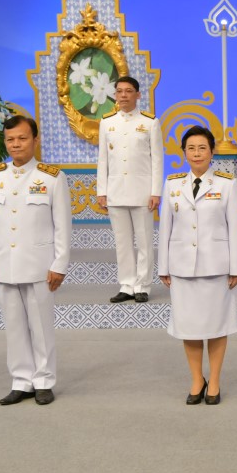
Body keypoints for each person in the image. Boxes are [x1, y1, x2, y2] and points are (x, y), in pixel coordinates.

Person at [0, 116, 70, 406]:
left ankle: (43, 381)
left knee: (41, 327)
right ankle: (21, 381)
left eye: (22, 138)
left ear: (35, 140)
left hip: (39, 266)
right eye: (10, 139)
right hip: (4, 264)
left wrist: (59, 264)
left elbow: (62, 226)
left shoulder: (52, 177)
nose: (16, 144)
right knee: (14, 327)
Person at [158, 126, 237, 405]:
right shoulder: (172, 184)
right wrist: (163, 266)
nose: (197, 153)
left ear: (212, 152)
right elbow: (165, 227)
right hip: (182, 268)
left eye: (202, 148)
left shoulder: (226, 184)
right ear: (184, 152)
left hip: (216, 267)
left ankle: (215, 381)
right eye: (191, 148)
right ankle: (197, 379)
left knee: (217, 326)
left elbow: (236, 228)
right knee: (189, 327)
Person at [95, 76, 162, 304]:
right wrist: (101, 191)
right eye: (119, 91)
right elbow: (102, 159)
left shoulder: (150, 122)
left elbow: (157, 160)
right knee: (122, 242)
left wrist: (155, 192)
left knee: (144, 241)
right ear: (115, 94)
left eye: (129, 91)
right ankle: (126, 285)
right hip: (115, 191)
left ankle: (142, 285)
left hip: (142, 192)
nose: (123, 95)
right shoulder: (107, 122)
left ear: (138, 95)